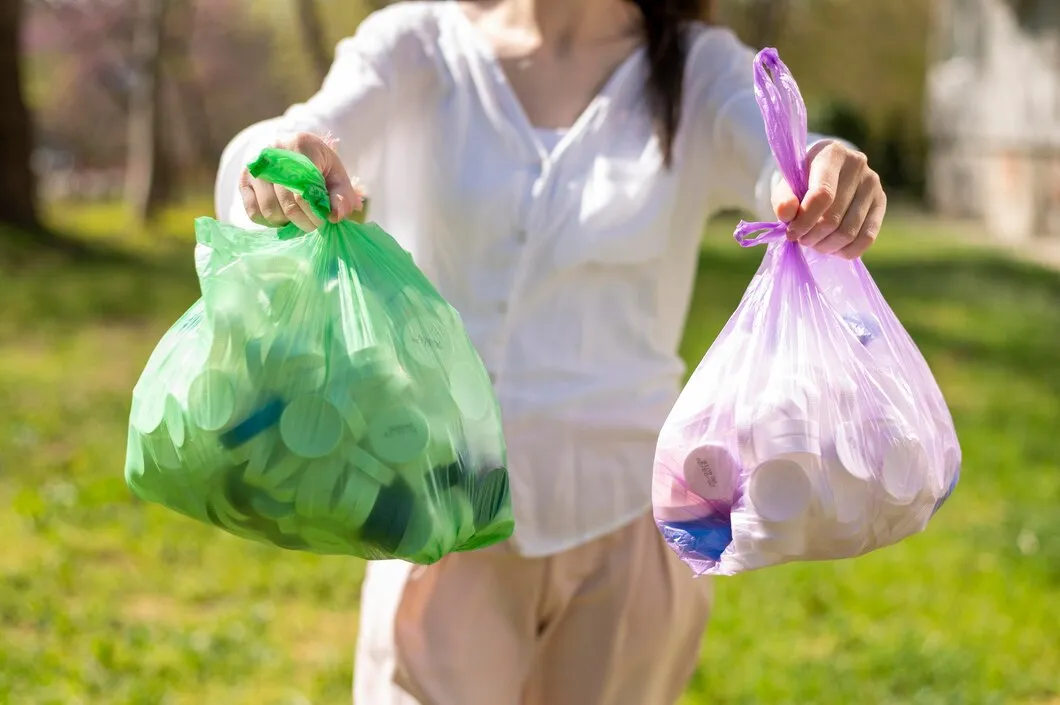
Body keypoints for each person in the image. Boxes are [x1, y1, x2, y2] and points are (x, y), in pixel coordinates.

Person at [215, 1, 888, 703]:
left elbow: (777, 151)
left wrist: (818, 171)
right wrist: (282, 164)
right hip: (442, 513)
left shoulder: (694, 66)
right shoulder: (419, 43)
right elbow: (308, 128)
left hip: (625, 526)